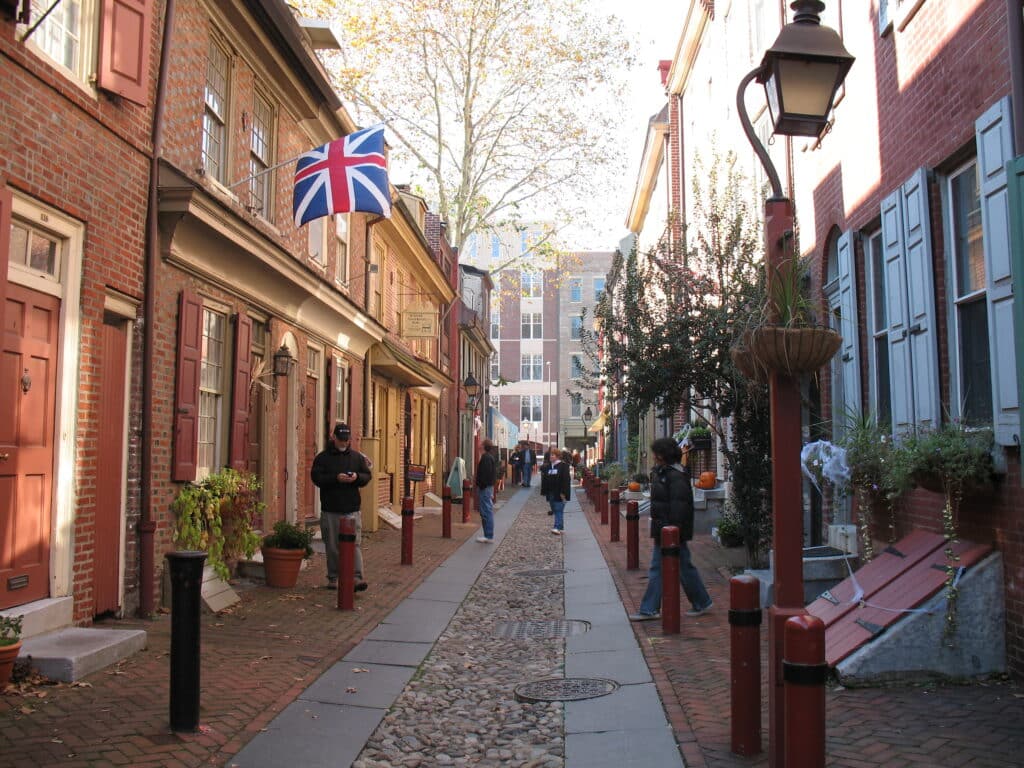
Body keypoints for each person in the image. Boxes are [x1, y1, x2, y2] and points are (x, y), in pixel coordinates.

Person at [629, 437, 712, 621]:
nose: (653, 457)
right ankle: (701, 601)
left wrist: (673, 532)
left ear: (662, 455)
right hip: (666, 530)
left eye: (656, 454)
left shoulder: (675, 477)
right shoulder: (664, 473)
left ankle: (650, 608)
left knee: (663, 568)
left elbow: (679, 506)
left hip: (671, 532)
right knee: (680, 567)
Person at [311, 423, 372, 591]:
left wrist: (357, 477)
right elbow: (316, 477)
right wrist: (335, 478)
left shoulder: (357, 458)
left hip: (352, 508)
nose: (344, 443)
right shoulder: (322, 458)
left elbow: (367, 476)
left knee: (355, 545)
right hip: (330, 508)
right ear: (334, 438)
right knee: (332, 546)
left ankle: (357, 578)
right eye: (341, 440)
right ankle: (334, 577)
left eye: (347, 440)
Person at [541, 449, 572, 535]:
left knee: (558, 509)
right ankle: (561, 528)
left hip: (560, 492)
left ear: (557, 456)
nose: (550, 456)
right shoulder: (548, 466)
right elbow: (544, 478)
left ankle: (556, 527)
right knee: (555, 509)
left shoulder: (563, 466)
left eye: (553, 455)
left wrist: (564, 493)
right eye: (550, 455)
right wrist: (544, 491)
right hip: (550, 492)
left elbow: (566, 480)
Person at [475, 439, 498, 543]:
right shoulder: (488, 457)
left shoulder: (486, 458)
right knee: (486, 510)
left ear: (484, 446)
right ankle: (487, 535)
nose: (479, 445)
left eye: (481, 444)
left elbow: (486, 474)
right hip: (486, 487)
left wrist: (481, 485)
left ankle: (488, 535)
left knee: (486, 511)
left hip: (485, 488)